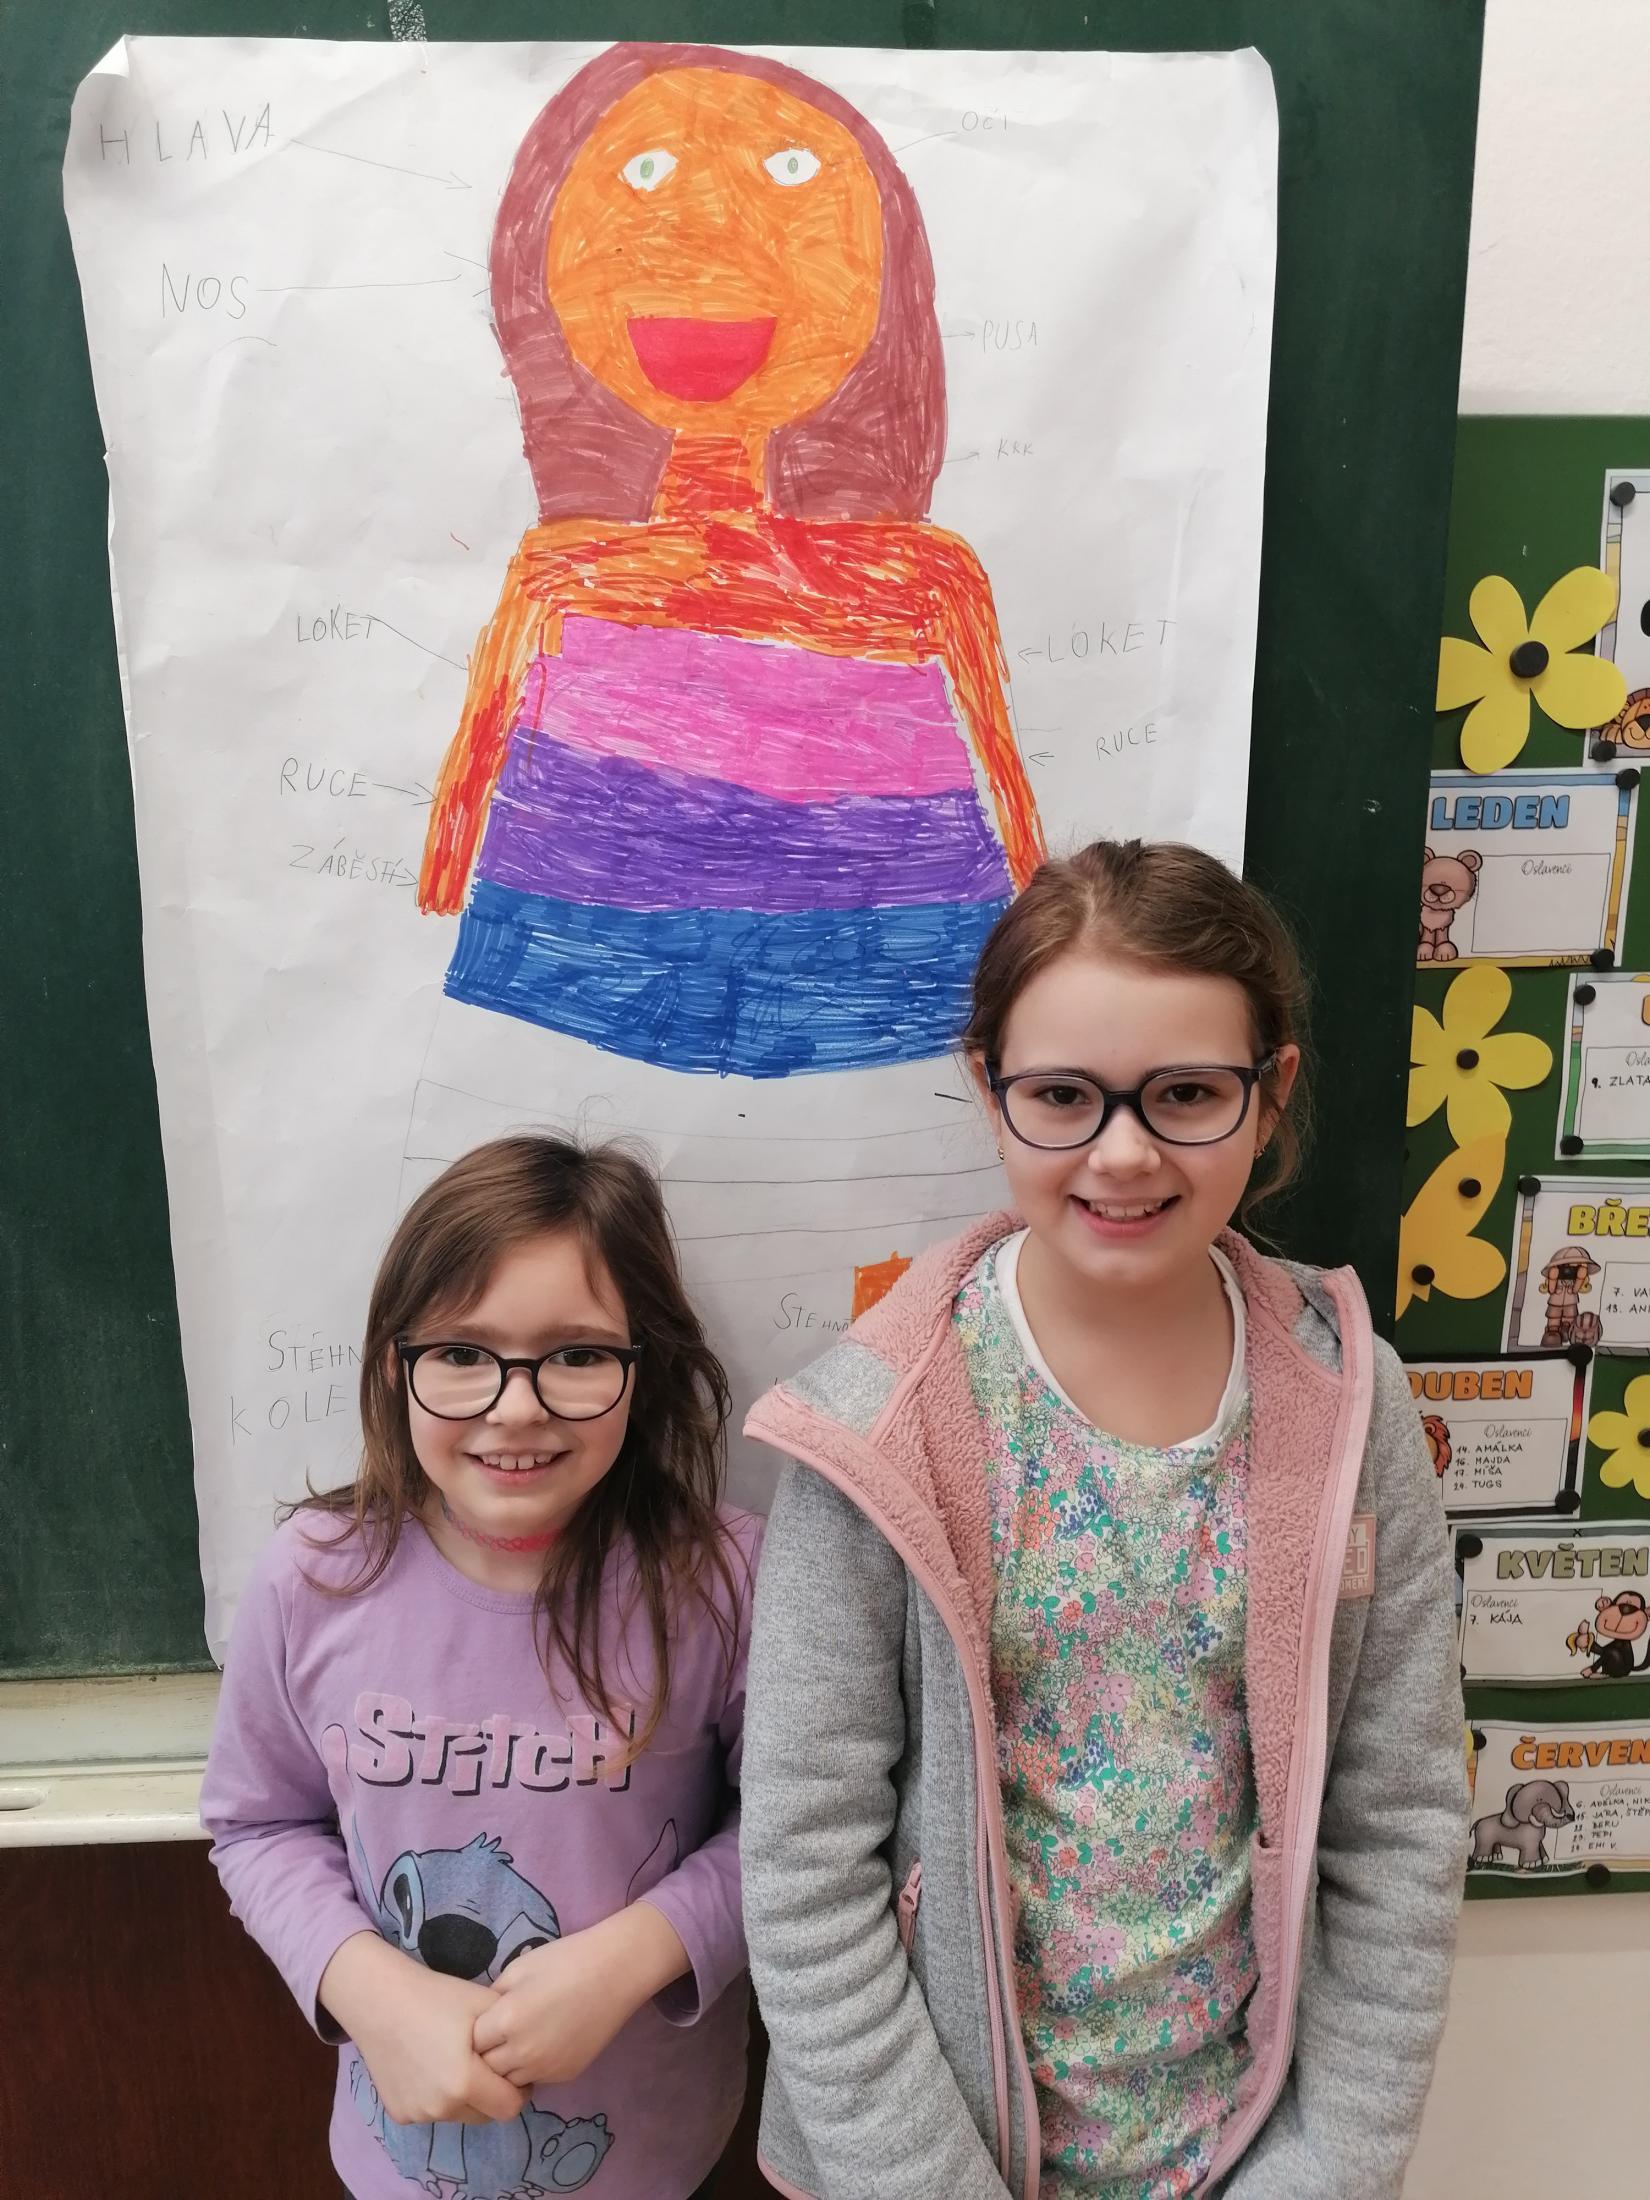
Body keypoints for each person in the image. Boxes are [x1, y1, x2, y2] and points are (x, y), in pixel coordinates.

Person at [740, 839, 1466, 2200]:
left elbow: (1401, 1825)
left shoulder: (1351, 1408)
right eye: (1063, 1096)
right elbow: (803, 1871)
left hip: (1250, 2154)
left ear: (1271, 1094)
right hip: (929, 2160)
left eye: (1185, 1093)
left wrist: (1322, 2171)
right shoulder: (875, 1427)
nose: (1123, 1152)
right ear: (989, 1092)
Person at [201, 1136, 759, 2200]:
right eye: (462, 1352)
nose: (515, 1407)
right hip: (395, 2161)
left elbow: (792, 1833)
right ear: (394, 1366)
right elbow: (256, 1824)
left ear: (644, 1368)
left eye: (577, 1354)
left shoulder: (723, 1581)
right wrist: (370, 1990)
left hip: (658, 2160)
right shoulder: (313, 1579)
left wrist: (636, 1954)